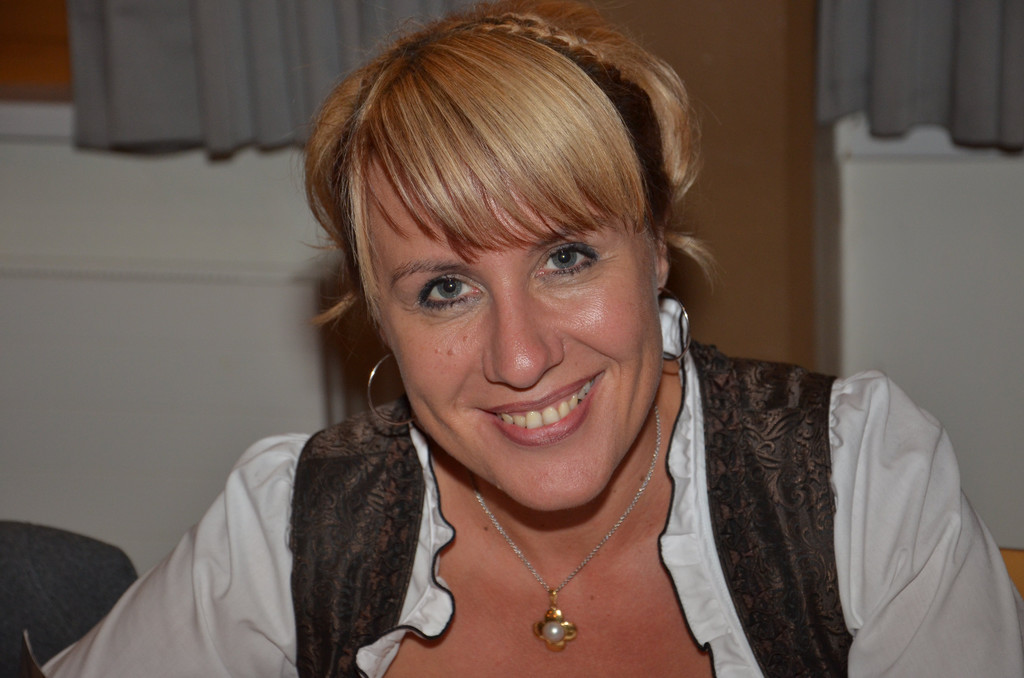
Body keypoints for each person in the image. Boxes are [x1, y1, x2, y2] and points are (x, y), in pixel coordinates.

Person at [32, 1, 1024, 676]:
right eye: (445, 289)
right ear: (381, 315)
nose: (519, 358)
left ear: (657, 250)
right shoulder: (288, 532)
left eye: (565, 258)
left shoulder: (860, 490)